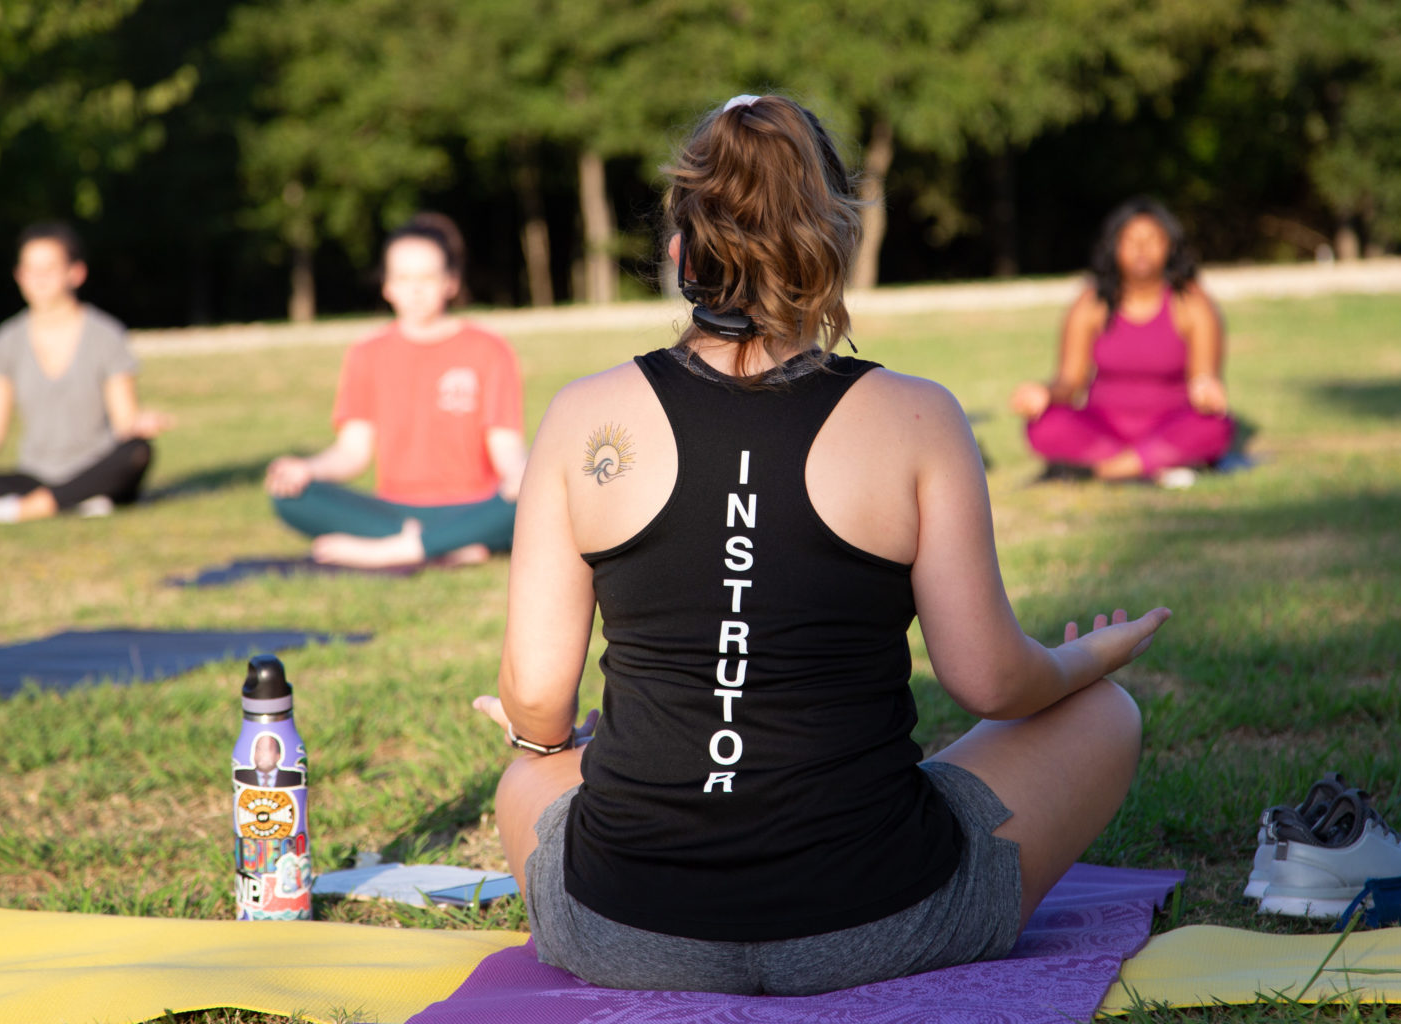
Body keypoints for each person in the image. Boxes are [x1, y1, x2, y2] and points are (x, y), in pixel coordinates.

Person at [474, 94, 1170, 997]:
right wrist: (1088, 659)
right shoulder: (917, 415)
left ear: (680, 248)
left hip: (627, 928)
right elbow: (991, 683)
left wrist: (545, 742)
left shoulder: (582, 414)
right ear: (831, 244)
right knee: (1105, 716)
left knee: (532, 779)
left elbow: (534, 701)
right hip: (880, 918)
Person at [264, 213, 527, 568]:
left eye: (427, 277)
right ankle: (450, 547)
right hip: (393, 508)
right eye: (403, 278)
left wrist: (521, 475)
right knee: (290, 497)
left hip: (473, 505)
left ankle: (397, 550)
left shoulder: (489, 349)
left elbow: (506, 449)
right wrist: (307, 469)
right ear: (387, 285)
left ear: (451, 282)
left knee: (533, 499)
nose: (415, 289)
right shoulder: (367, 352)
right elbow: (352, 451)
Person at [0, 222, 168, 522]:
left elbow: (124, 423)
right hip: (35, 476)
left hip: (93, 470)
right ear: (19, 275)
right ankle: (69, 503)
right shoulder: (7, 341)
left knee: (137, 452)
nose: (38, 280)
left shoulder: (106, 335)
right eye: (30, 270)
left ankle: (28, 509)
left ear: (75, 273)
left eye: (49, 269)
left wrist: (140, 424)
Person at [1010, 197, 1233, 487]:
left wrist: (1207, 391)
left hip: (1170, 425)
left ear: (1170, 246)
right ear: (1113, 246)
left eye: (1152, 239)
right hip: (1103, 428)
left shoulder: (1191, 303)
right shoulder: (1091, 302)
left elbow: (1203, 378)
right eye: (1131, 240)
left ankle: (1112, 468)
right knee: (1043, 424)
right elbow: (1069, 381)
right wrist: (1045, 393)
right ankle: (1151, 466)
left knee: (1214, 426)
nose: (1141, 249)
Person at [233, 733, 304, 788]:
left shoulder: (295, 778)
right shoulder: (240, 776)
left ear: (278, 756)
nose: (262, 754)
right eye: (259, 749)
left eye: (267, 749)